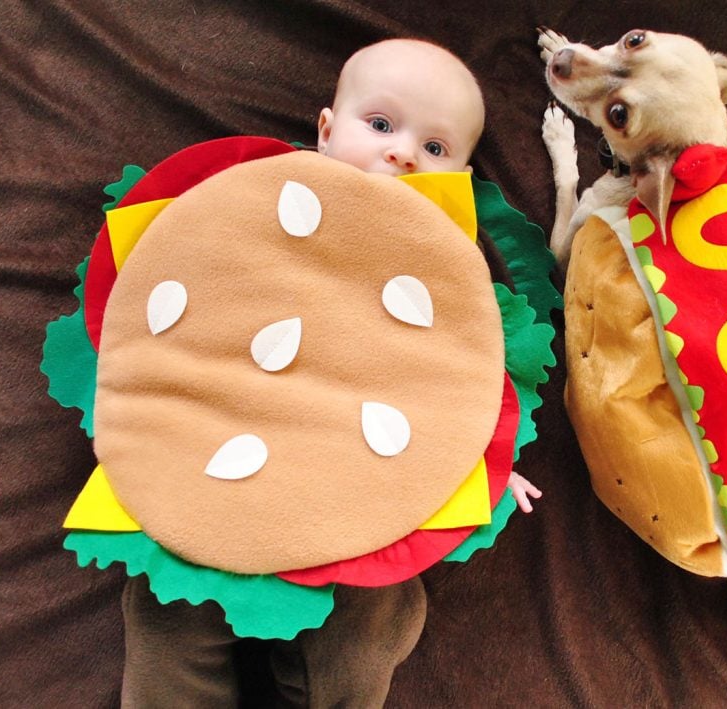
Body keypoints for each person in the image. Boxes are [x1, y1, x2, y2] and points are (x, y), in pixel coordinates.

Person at [120, 38, 542, 708]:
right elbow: (185, 299)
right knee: (164, 612)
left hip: (360, 488)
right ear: (324, 131)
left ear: (457, 178)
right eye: (380, 125)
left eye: (435, 150)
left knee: (369, 628)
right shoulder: (253, 203)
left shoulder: (449, 273)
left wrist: (480, 459)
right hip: (215, 460)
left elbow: (456, 377)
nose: (402, 153)